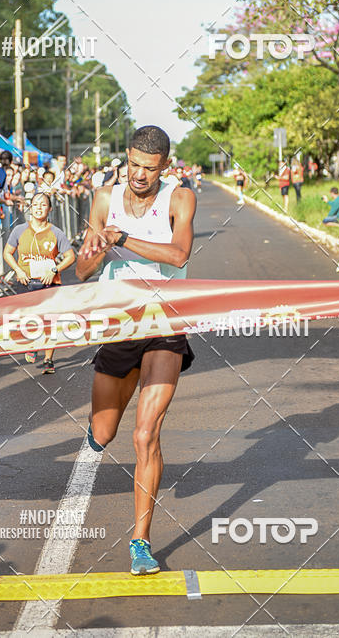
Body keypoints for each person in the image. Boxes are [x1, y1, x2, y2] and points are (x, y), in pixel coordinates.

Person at [76, 125, 196, 576]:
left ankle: (140, 542)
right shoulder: (103, 199)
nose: (139, 174)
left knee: (146, 434)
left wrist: (121, 238)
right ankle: (98, 429)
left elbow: (179, 255)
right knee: (104, 431)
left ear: (165, 166)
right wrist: (97, 246)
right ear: (125, 159)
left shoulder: (180, 198)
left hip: (165, 323)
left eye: (149, 168)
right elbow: (83, 271)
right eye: (133, 165)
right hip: (119, 322)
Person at [3, 192, 75, 373]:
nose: (39, 208)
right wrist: (18, 270)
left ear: (50, 209)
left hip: (50, 282)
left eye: (43, 204)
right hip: (26, 281)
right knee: (28, 318)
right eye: (35, 204)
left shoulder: (56, 232)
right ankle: (33, 343)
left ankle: (48, 360)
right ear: (30, 208)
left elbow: (70, 256)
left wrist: (54, 270)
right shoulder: (20, 230)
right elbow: (7, 253)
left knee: (50, 320)